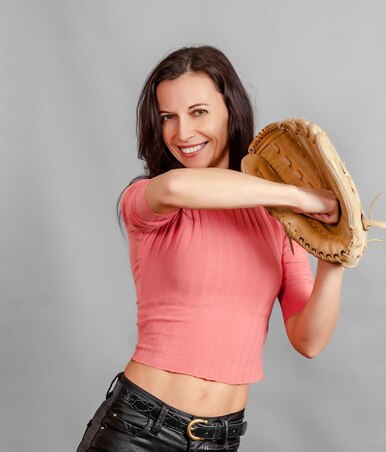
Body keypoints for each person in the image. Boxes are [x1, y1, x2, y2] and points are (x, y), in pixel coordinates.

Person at [76, 45, 345, 451]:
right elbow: (179, 185)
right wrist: (301, 197)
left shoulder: (276, 218)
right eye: (168, 116)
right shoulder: (147, 199)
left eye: (198, 112)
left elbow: (309, 340)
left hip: (221, 439)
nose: (182, 133)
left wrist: (335, 256)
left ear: (230, 111)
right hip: (138, 430)